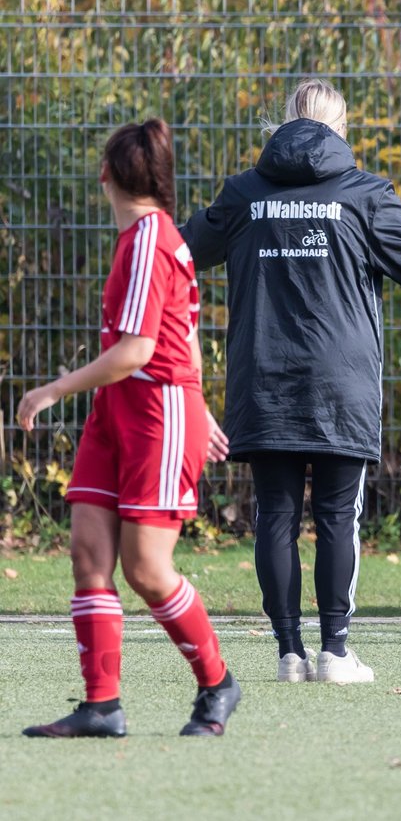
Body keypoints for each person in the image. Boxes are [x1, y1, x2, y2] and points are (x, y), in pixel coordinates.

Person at [181, 79, 401, 682]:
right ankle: (335, 651)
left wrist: (133, 251)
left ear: (284, 124)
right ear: (341, 129)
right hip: (339, 383)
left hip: (263, 378)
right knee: (335, 514)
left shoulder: (244, 195)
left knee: (273, 512)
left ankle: (288, 655)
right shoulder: (363, 194)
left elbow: (180, 251)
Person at [18, 119, 239, 738]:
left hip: (155, 419)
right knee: (89, 552)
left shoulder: (148, 241)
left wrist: (54, 388)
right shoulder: (150, 239)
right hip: (119, 416)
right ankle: (101, 705)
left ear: (106, 176)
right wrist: (206, 408)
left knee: (145, 568)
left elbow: (140, 350)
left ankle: (218, 683)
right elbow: (185, 334)